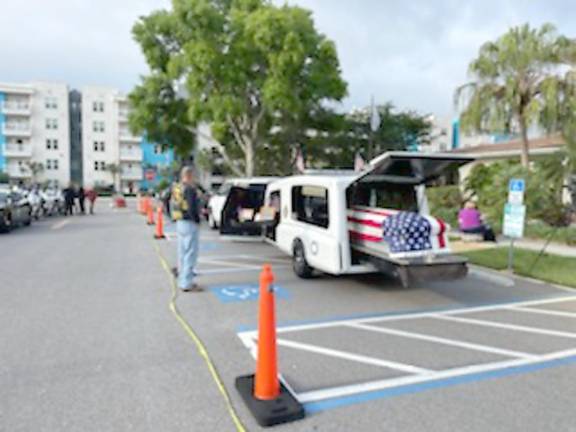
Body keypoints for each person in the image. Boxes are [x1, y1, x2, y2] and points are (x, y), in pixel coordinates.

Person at [171, 167, 202, 292]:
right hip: (189, 222)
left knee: (182, 252)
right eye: (193, 176)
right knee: (190, 254)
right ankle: (186, 283)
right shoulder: (190, 189)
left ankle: (182, 279)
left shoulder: (177, 188)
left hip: (180, 221)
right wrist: (197, 220)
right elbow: (192, 207)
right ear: (189, 176)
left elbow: (167, 201)